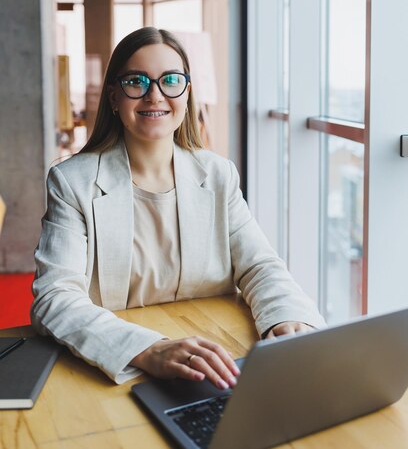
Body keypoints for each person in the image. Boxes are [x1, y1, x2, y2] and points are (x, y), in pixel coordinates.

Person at [31, 27, 325, 388]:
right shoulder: (71, 182)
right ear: (113, 97)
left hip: (218, 359)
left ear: (186, 93)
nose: (155, 95)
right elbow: (55, 297)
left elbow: (259, 265)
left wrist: (287, 319)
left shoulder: (217, 175)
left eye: (170, 80)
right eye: (137, 82)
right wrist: (148, 348)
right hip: (119, 369)